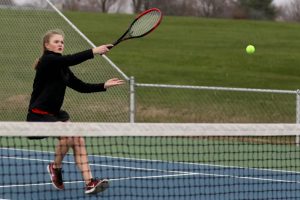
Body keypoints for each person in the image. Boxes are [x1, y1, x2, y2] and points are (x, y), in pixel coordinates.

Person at [26, 29, 124, 195]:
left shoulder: (63, 68)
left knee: (77, 139)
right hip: (38, 115)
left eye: (62, 42)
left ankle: (89, 182)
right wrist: (94, 51)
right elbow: (71, 59)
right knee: (69, 135)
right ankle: (55, 167)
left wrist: (103, 86)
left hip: (55, 114)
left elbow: (80, 86)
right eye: (56, 41)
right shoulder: (47, 60)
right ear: (47, 45)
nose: (60, 44)